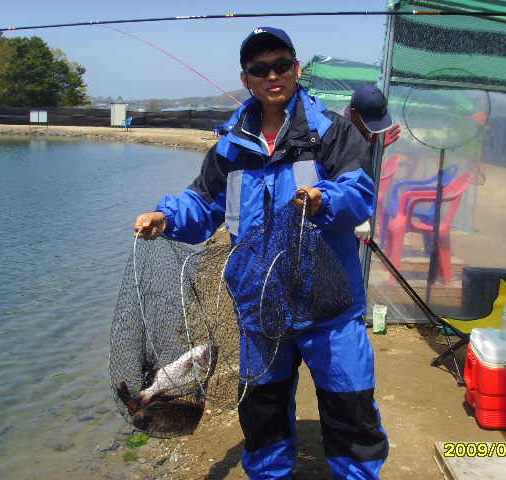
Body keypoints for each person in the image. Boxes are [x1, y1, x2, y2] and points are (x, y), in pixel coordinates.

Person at [134, 27, 388, 480]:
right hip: (259, 307)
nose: (272, 75)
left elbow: (360, 194)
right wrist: (165, 217)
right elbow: (202, 204)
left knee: (350, 406)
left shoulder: (333, 132)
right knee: (262, 411)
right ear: (246, 78)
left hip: (328, 304)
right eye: (260, 69)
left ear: (296, 69)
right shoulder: (230, 147)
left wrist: (324, 201)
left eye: (281, 65)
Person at [345, 85, 400, 242]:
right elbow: (338, 174)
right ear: (354, 113)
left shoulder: (360, 127)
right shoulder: (339, 131)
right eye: (370, 122)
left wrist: (375, 149)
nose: (374, 129)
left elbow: (361, 162)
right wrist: (355, 212)